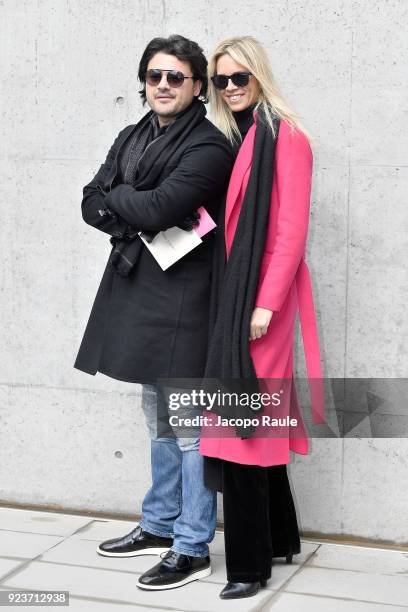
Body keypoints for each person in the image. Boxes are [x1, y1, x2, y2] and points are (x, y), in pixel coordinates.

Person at [73, 35, 233, 590]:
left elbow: (163, 206)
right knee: (158, 420)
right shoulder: (132, 135)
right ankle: (160, 523)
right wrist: (126, 205)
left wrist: (120, 199)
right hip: (142, 285)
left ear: (197, 87)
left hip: (188, 296)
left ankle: (192, 546)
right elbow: (91, 198)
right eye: (154, 76)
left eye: (176, 77)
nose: (162, 85)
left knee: (189, 427)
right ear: (144, 82)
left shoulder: (209, 147)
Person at [199, 36, 324, 599]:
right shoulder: (240, 135)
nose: (230, 88)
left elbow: (290, 230)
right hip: (235, 296)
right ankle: (279, 538)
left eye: (239, 78)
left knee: (241, 425)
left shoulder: (287, 137)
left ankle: (248, 566)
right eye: (221, 80)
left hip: (259, 303)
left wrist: (266, 303)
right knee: (257, 417)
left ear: (259, 77)